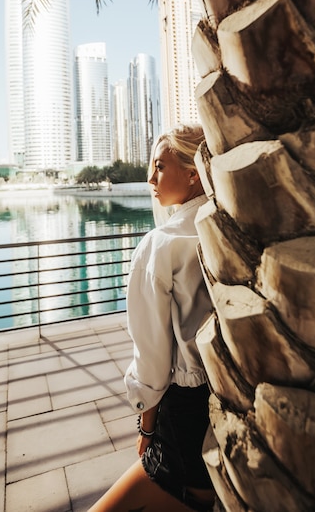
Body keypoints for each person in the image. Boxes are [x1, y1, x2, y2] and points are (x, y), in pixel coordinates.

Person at [89, 124, 216, 512]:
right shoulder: (224, 227)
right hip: (223, 395)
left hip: (182, 411)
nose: (149, 178)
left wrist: (146, 426)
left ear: (193, 173)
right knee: (199, 499)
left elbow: (153, 363)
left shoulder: (160, 245)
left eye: (160, 167)